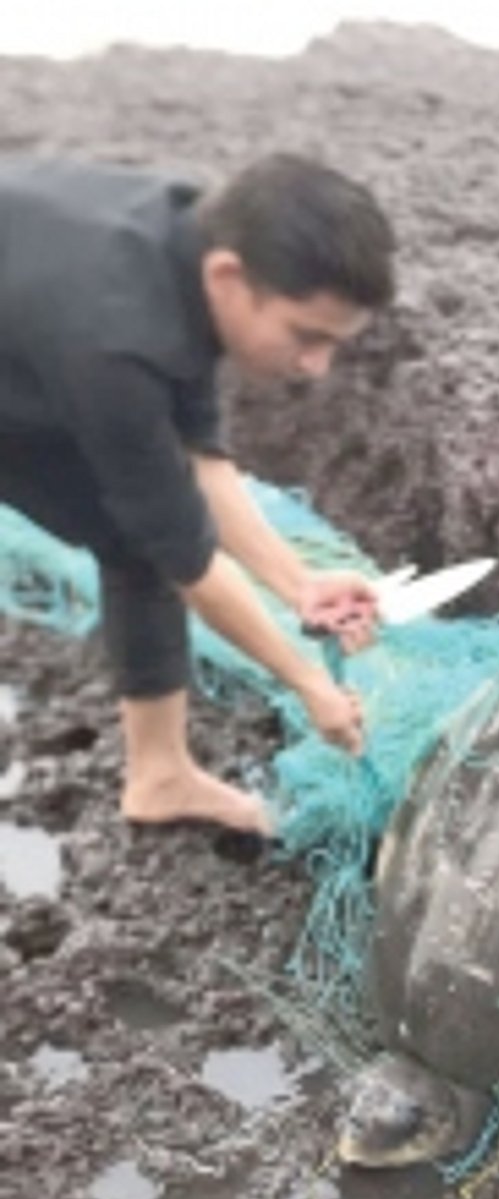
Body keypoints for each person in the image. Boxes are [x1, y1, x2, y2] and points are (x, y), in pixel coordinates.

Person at [0, 152, 396, 836]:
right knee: (148, 537)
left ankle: (161, 777)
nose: (316, 366)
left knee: (133, 537)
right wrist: (309, 685)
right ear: (229, 279)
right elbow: (190, 561)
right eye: (306, 336)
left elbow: (201, 460)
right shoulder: (117, 344)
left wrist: (298, 584)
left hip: (27, 331)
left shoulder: (192, 239)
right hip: (41, 349)